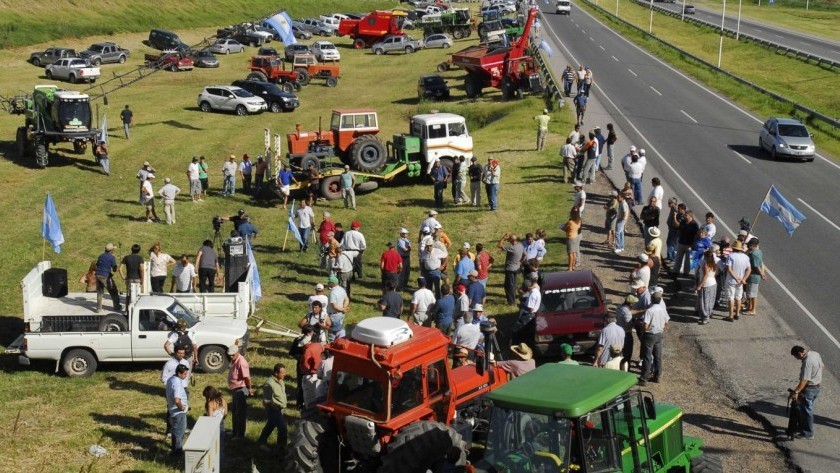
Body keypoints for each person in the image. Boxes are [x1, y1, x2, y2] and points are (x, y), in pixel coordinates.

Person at [788, 346, 823, 440]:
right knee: (804, 409)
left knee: (806, 411)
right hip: (817, 387)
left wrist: (796, 391)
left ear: (800, 354)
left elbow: (804, 380)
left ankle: (808, 433)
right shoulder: (815, 354)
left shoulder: (807, 361)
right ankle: (802, 428)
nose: (797, 359)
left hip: (809, 389)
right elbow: (822, 366)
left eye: (796, 357)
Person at [639, 290, 669, 386]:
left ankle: (644, 378)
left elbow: (645, 326)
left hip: (649, 335)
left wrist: (643, 330)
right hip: (659, 334)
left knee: (647, 357)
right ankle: (657, 376)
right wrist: (661, 328)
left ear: (652, 299)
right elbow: (666, 323)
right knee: (658, 356)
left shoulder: (650, 310)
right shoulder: (662, 309)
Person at [258, 363, 288, 453]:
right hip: (274, 410)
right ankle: (281, 448)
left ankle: (261, 443)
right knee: (283, 429)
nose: (285, 374)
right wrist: (275, 408)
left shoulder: (281, 381)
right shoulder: (269, 384)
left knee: (270, 426)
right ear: (276, 373)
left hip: (280, 409)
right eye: (282, 373)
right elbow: (266, 400)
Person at [227, 345, 252, 440]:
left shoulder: (242, 362)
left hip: (240, 390)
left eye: (232, 355)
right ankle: (235, 432)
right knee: (234, 411)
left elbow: (247, 378)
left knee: (240, 413)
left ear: (237, 352)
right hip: (235, 389)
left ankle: (240, 435)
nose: (231, 357)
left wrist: (249, 388)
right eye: (229, 355)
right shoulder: (234, 360)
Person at [166, 364, 190, 455]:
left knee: (175, 431)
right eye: (184, 374)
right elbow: (177, 400)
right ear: (179, 373)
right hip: (178, 412)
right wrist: (182, 408)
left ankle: (174, 450)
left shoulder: (170, 379)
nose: (186, 376)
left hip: (172, 410)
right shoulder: (177, 384)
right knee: (179, 432)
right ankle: (177, 452)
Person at [724, 241, 751, 321]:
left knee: (731, 298)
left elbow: (729, 269)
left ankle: (730, 316)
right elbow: (749, 269)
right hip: (741, 282)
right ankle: (737, 314)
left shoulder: (731, 256)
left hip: (731, 280)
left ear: (733, 248)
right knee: (738, 298)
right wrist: (744, 279)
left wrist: (736, 278)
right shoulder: (746, 257)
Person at [498, 233, 524, 305]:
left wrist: (503, 238)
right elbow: (525, 255)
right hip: (516, 268)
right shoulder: (520, 246)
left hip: (510, 269)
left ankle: (511, 302)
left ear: (512, 240)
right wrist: (520, 262)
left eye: (509, 239)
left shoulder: (512, 248)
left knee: (510, 286)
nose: (508, 240)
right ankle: (510, 299)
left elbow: (499, 245)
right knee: (511, 284)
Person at [300, 333, 324, 409]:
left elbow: (306, 365)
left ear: (311, 339)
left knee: (309, 399)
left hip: (310, 375)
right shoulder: (321, 347)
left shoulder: (309, 349)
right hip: (320, 375)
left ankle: (309, 412)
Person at [95, 243, 121, 313]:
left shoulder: (100, 256)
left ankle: (98, 308)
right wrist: (116, 267)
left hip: (97, 275)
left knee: (100, 292)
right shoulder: (112, 257)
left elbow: (97, 265)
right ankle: (117, 306)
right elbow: (114, 270)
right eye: (113, 249)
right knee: (113, 291)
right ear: (111, 250)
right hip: (105, 275)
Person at [694, 250, 717, 325]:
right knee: (710, 301)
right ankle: (706, 316)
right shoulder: (714, 263)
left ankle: (705, 318)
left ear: (706, 257)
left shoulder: (706, 265)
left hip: (707, 284)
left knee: (704, 301)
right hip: (713, 283)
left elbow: (705, 276)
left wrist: (699, 285)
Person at [745, 239, 766, 316]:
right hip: (753, 276)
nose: (748, 246)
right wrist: (763, 272)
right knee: (750, 293)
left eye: (750, 245)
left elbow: (757, 266)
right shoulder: (759, 251)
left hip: (753, 276)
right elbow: (762, 263)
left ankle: (753, 310)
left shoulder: (753, 254)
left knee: (753, 294)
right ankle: (749, 307)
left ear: (754, 246)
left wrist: (762, 274)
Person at [562, 206, 582, 271]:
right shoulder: (579, 220)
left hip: (570, 238)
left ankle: (570, 268)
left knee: (570, 254)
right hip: (576, 237)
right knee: (574, 253)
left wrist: (562, 227)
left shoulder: (570, 222)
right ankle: (573, 266)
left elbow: (564, 228)